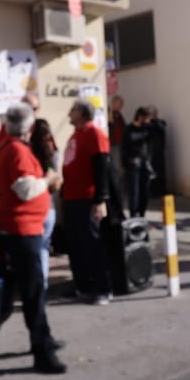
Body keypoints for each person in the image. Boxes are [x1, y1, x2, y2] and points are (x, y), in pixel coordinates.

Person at [0, 104, 66, 374]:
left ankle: (44, 340)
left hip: (20, 228)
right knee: (33, 294)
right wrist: (47, 179)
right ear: (29, 127)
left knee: (28, 291)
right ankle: (42, 353)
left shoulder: (6, 149)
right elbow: (25, 189)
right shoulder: (17, 151)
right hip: (23, 230)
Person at [61, 100, 113, 305]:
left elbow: (102, 167)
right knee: (75, 246)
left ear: (82, 113)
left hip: (87, 198)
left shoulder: (94, 133)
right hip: (72, 198)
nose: (69, 112)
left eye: (73, 110)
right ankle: (82, 286)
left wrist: (100, 199)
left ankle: (103, 288)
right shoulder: (76, 135)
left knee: (93, 245)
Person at [29, 117, 61, 285]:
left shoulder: (28, 154)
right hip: (50, 208)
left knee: (35, 250)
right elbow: (55, 180)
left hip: (36, 208)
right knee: (44, 249)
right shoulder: (52, 154)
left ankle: (37, 284)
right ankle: (44, 283)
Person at [121, 108, 155, 218]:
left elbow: (161, 128)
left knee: (145, 191)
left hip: (145, 163)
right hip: (133, 164)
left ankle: (142, 213)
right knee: (134, 191)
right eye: (145, 117)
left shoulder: (148, 129)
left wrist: (151, 122)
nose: (146, 120)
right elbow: (125, 146)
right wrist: (124, 164)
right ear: (139, 116)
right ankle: (133, 214)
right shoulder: (129, 129)